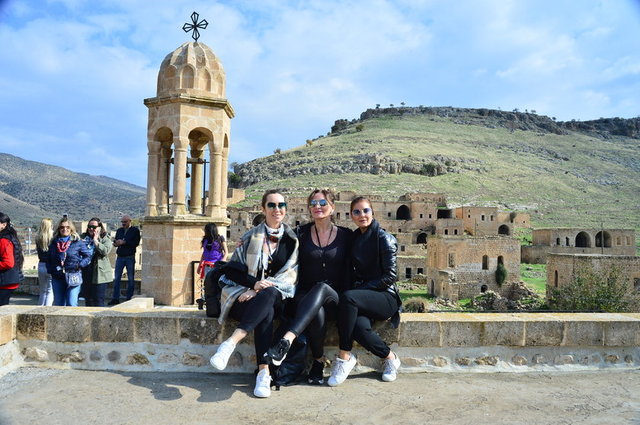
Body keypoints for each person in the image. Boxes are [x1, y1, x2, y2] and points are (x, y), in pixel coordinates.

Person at [209, 189, 298, 398]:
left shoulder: (292, 241)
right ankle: (264, 373)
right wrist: (254, 284)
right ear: (263, 209)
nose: (277, 209)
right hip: (244, 298)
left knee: (269, 294)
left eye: (281, 205)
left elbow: (290, 277)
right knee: (265, 310)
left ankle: (231, 342)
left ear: (286, 209)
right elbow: (231, 271)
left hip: (278, 297)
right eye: (272, 205)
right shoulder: (250, 237)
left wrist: (257, 289)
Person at [265, 189, 351, 385]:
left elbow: (366, 251)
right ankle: (318, 361)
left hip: (335, 297)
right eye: (313, 203)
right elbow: (276, 248)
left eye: (322, 203)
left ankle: (287, 339)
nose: (317, 207)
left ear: (332, 207)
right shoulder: (300, 234)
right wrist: (249, 243)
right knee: (317, 311)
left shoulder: (346, 235)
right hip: (305, 298)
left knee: (322, 288)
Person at [327, 196, 403, 387]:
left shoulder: (385, 239)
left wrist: (359, 290)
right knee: (358, 329)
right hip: (361, 298)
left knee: (348, 298)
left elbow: (390, 276)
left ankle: (344, 356)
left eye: (366, 210)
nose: (362, 215)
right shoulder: (354, 239)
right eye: (357, 212)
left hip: (385, 296)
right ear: (351, 215)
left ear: (372, 212)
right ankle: (390, 358)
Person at [46, 217, 93, 307]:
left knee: (72, 303)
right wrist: (51, 270)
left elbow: (88, 256)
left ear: (71, 229)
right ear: (58, 229)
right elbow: (48, 259)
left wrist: (80, 265)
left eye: (67, 227)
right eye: (62, 227)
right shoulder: (53, 243)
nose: (65, 229)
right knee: (59, 304)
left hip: (73, 275)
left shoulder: (77, 242)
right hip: (58, 277)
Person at [80, 218, 113, 307]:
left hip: (100, 274)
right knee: (88, 299)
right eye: (89, 226)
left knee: (98, 300)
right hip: (86, 272)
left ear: (99, 227)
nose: (91, 229)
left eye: (94, 227)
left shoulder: (105, 238)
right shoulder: (82, 237)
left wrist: (95, 241)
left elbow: (105, 251)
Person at [109, 215, 141, 305]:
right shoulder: (119, 230)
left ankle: (129, 298)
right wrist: (116, 243)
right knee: (117, 278)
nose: (123, 224)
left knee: (131, 278)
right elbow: (115, 241)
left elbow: (136, 243)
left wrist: (124, 242)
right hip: (120, 257)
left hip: (130, 257)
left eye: (125, 222)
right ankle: (115, 298)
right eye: (122, 222)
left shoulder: (135, 231)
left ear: (130, 221)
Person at [0, 212, 24, 306]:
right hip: (9, 280)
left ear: (3, 225)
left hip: (5, 281)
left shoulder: (4, 240)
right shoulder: (10, 237)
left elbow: (8, 263)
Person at [35, 218, 54, 306]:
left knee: (43, 291)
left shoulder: (38, 237)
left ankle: (39, 308)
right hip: (50, 265)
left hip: (41, 264)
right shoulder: (53, 237)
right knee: (50, 291)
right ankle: (47, 309)